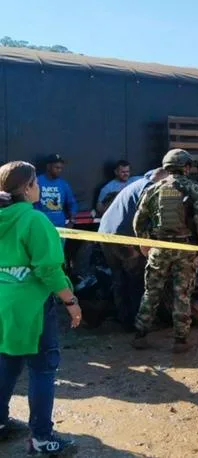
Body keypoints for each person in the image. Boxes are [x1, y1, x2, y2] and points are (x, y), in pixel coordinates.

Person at [0, 161, 82, 455]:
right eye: (35, 182)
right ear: (27, 188)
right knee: (43, 369)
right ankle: (41, 438)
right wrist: (70, 302)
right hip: (32, 308)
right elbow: (49, 270)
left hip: (3, 304)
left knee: (7, 361)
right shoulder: (35, 221)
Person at [131, 149, 198, 353]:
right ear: (186, 166)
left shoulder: (153, 189)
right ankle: (180, 340)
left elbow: (138, 220)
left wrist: (144, 242)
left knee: (151, 292)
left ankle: (140, 335)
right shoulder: (194, 189)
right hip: (185, 249)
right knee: (182, 293)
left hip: (159, 248)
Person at [98, 168, 168, 330]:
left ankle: (124, 318)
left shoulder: (136, 184)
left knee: (119, 277)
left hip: (105, 234)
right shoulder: (150, 188)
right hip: (124, 237)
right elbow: (144, 219)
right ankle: (137, 322)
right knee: (136, 278)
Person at [35, 154, 78, 229]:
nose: (59, 170)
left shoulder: (63, 184)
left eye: (61, 168)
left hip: (59, 227)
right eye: (57, 167)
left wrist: (72, 221)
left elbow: (72, 204)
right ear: (48, 166)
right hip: (41, 226)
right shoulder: (36, 182)